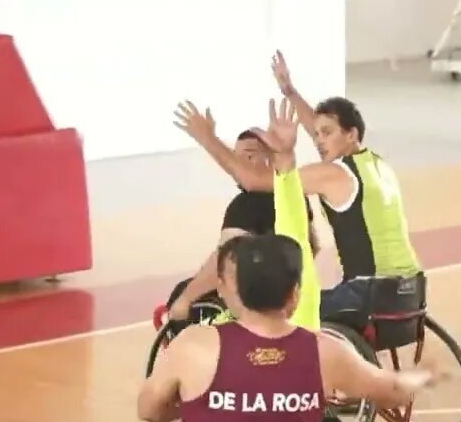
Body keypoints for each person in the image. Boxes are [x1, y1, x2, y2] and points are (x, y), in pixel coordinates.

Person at [87, 98, 435, 422]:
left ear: (229, 290)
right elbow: (392, 389)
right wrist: (428, 375)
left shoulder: (199, 347)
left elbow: (150, 409)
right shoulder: (324, 350)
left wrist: (188, 403)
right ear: (296, 292)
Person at [180, 51, 423, 318]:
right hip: (412, 291)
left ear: (351, 134)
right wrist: (290, 91)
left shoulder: (334, 174)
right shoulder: (378, 166)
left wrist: (207, 138)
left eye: (326, 133)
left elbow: (255, 180)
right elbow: (323, 131)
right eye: (316, 134)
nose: (318, 140)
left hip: (369, 295)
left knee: (283, 310)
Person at [166, 106, 318, 323]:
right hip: (304, 310)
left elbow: (225, 261)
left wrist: (184, 300)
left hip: (262, 315)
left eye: (247, 157)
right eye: (235, 157)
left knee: (186, 302)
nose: (237, 164)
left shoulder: (249, 203)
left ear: (269, 159)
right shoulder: (295, 197)